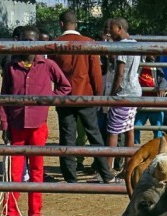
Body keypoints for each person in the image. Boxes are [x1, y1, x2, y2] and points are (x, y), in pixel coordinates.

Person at [0, 26, 71, 216]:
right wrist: (4, 124)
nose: (27, 45)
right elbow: (4, 96)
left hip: (38, 125)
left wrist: (49, 99)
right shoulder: (11, 67)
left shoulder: (47, 65)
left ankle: (35, 213)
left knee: (37, 169)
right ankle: (11, 214)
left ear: (38, 43)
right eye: (24, 40)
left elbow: (65, 86)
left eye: (31, 41)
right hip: (16, 124)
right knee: (14, 172)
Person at [49, 10, 114, 183]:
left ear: (61, 24)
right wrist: (98, 94)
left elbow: (52, 72)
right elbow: (96, 72)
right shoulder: (89, 43)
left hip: (64, 97)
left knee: (67, 136)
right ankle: (106, 174)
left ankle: (70, 177)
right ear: (76, 24)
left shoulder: (55, 44)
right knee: (94, 135)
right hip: (86, 95)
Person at [104, 18, 141, 178]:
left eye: (111, 28)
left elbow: (119, 73)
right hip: (135, 91)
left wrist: (111, 95)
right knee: (129, 129)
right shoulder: (135, 43)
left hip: (123, 92)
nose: (109, 31)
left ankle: (108, 169)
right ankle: (128, 167)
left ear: (119, 28)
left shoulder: (122, 46)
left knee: (113, 131)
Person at [134, 55, 167, 144]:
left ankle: (157, 149)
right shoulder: (139, 66)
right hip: (141, 105)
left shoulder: (156, 68)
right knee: (135, 127)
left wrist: (162, 88)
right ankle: (135, 147)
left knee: (158, 129)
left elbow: (163, 80)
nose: (152, 56)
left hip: (155, 104)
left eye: (153, 54)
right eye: (149, 53)